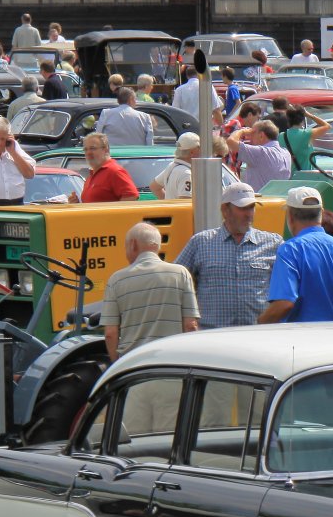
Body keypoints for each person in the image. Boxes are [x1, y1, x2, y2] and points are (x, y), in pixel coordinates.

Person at [175, 181, 282, 328]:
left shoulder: (273, 243)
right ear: (225, 210)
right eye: (243, 208)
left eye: (252, 207)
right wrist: (189, 317)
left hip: (256, 334)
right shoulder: (201, 242)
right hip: (212, 334)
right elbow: (176, 281)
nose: (249, 214)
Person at [259, 187, 333, 323]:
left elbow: (284, 303)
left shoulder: (290, 250)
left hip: (303, 335)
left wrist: (259, 324)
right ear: (321, 212)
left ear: (290, 216)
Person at [103, 222, 199, 362]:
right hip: (173, 361)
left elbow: (110, 333)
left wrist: (116, 364)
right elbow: (190, 325)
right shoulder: (180, 274)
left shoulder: (116, 280)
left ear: (133, 244)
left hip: (133, 365)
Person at [230, 120, 293, 190]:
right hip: (279, 195)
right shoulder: (286, 153)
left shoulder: (260, 152)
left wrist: (242, 131)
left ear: (261, 136)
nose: (249, 137)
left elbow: (230, 142)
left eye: (252, 133)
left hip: (259, 196)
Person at [78, 133, 139, 203]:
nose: (88, 153)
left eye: (92, 148)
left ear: (106, 150)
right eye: (85, 149)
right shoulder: (92, 174)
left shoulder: (114, 171)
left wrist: (113, 210)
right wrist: (77, 204)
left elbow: (131, 196)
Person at [279, 104, 332, 171]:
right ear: (302, 119)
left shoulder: (281, 136)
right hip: (305, 175)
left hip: (288, 176)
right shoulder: (306, 134)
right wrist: (310, 115)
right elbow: (327, 126)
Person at [149, 132, 200, 198]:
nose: (201, 150)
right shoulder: (186, 173)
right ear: (192, 152)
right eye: (199, 148)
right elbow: (185, 202)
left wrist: (168, 201)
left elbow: (154, 187)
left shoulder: (172, 166)